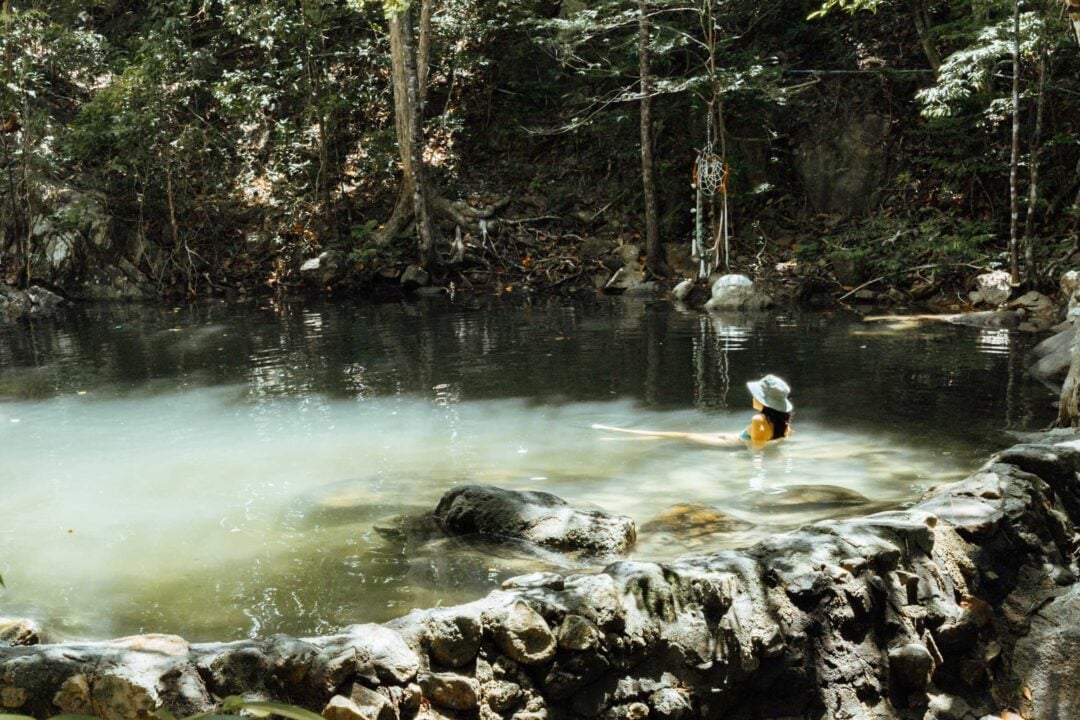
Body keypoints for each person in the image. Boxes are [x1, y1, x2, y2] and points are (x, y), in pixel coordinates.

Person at [592, 374, 793, 449]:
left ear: (765, 402)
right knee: (679, 436)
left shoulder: (758, 419)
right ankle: (618, 436)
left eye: (757, 396)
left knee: (683, 435)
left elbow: (755, 449)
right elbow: (778, 439)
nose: (753, 397)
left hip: (734, 443)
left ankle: (618, 435)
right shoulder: (783, 423)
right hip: (736, 437)